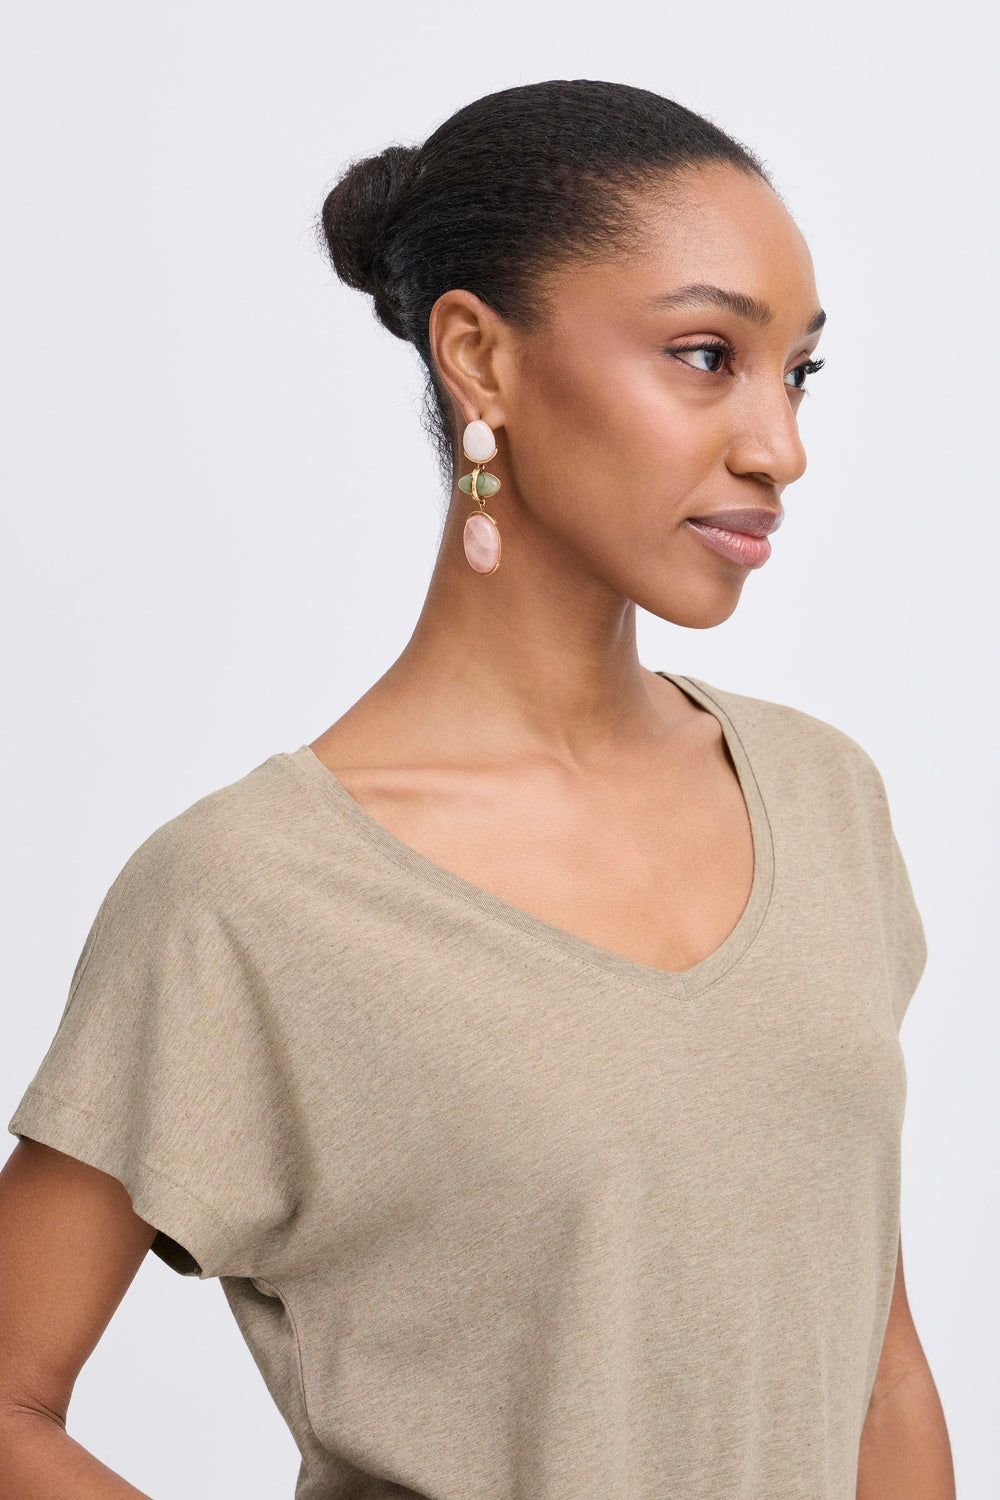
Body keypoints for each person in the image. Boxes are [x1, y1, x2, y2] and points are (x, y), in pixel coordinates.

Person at [0, 78, 954, 1500]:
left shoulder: (825, 802)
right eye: (706, 356)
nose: (781, 447)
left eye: (798, 372)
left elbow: (876, 1370)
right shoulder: (252, 896)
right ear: (478, 358)